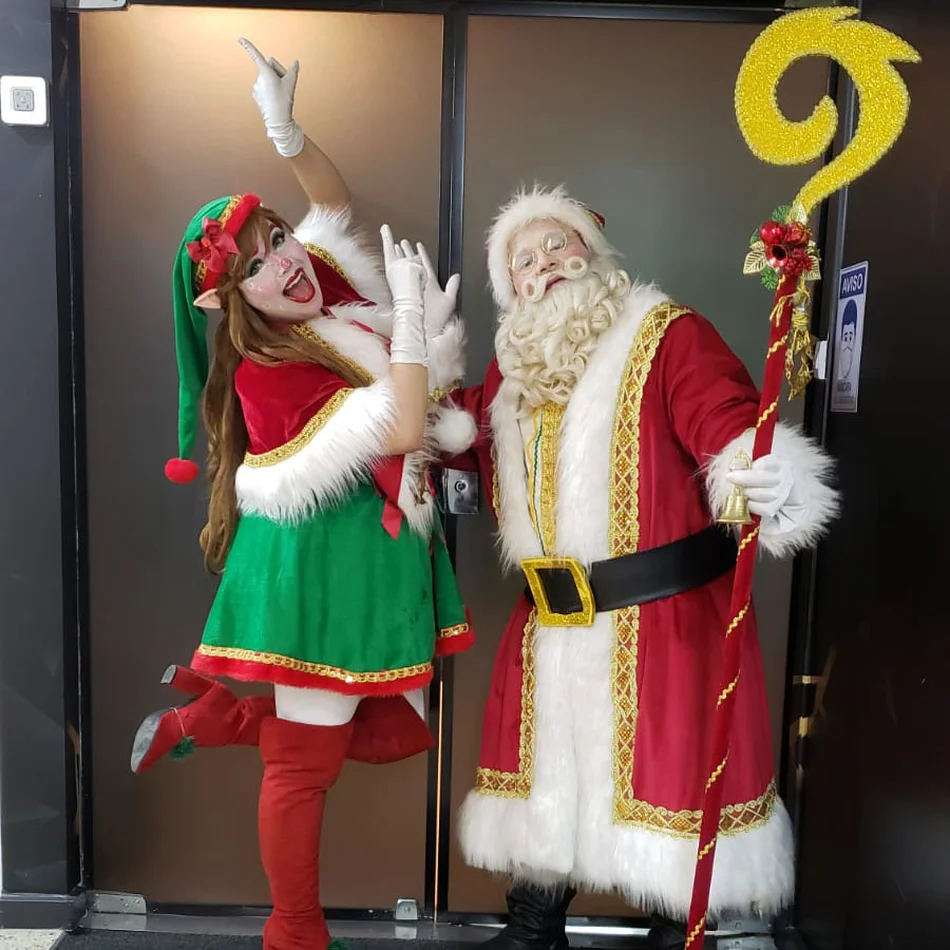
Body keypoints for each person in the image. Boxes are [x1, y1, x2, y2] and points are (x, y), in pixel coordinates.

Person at [129, 39, 475, 950]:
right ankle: (293, 933)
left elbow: (332, 202)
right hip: (319, 575)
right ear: (224, 298)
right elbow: (398, 429)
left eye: (275, 240)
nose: (283, 264)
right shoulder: (263, 374)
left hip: (366, 556)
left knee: (366, 724)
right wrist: (407, 327)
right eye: (254, 264)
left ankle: (217, 712)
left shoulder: (313, 285)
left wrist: (282, 127)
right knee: (306, 764)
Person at [449, 186, 840, 950]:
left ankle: (674, 926)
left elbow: (723, 417)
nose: (544, 265)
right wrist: (421, 367)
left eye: (557, 245)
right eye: (523, 262)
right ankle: (534, 927)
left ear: (592, 252)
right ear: (515, 291)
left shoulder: (667, 334)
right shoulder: (512, 375)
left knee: (669, 790)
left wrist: (756, 470)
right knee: (546, 788)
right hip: (549, 624)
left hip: (663, 619)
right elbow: (469, 436)